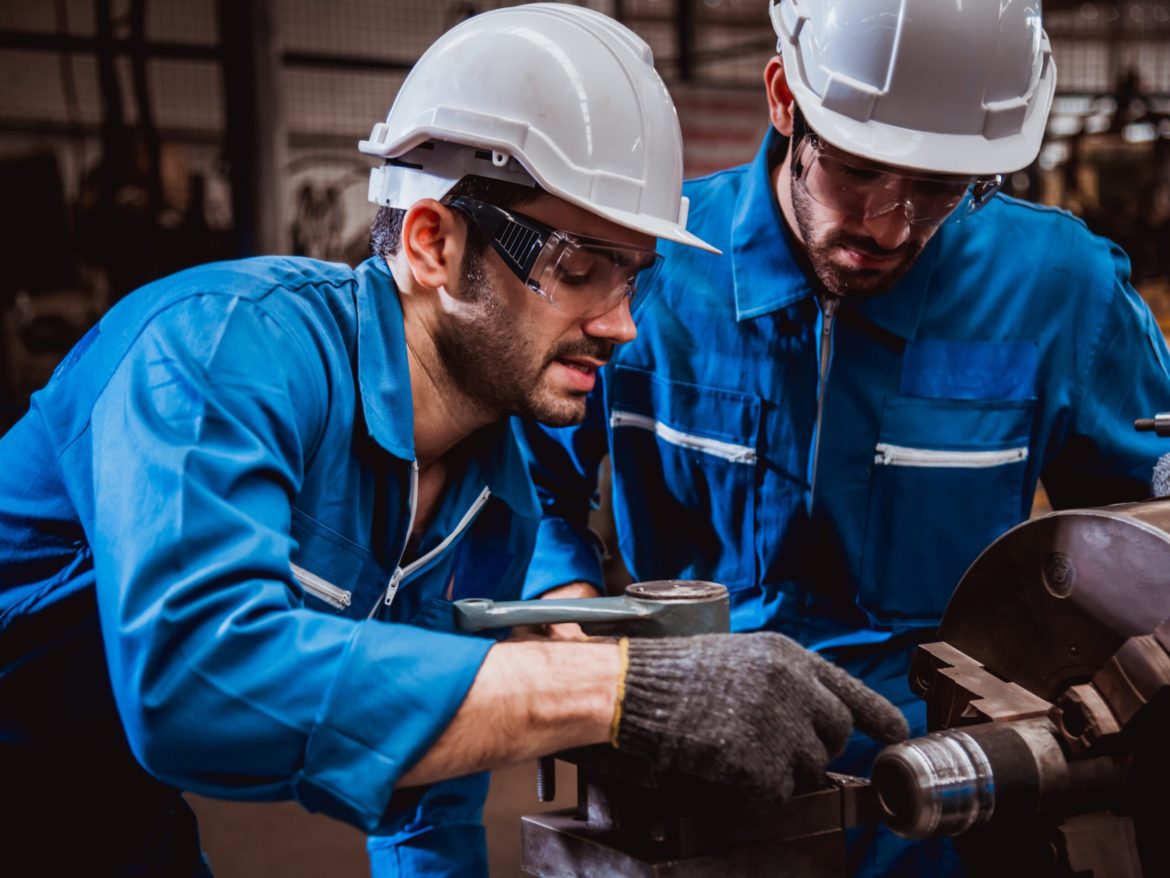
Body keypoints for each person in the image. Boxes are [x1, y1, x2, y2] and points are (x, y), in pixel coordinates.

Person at [0, 5, 907, 877]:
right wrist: (616, 692)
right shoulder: (222, 348)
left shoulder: (488, 494)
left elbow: (425, 798)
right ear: (433, 243)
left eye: (636, 278)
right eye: (582, 270)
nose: (624, 326)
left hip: (103, 805)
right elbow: (195, 683)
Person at [520, 1, 1170, 875]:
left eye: (940, 189)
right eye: (860, 172)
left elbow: (1148, 535)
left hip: (956, 800)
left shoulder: (1059, 293)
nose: (891, 226)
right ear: (786, 100)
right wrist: (571, 637)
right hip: (689, 771)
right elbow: (527, 483)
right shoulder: (654, 264)